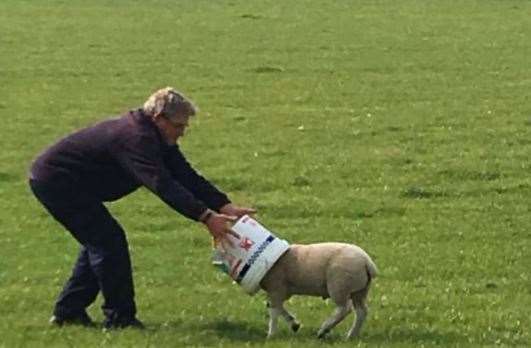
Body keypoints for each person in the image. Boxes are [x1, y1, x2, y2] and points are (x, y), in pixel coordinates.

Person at [29, 87, 256, 329]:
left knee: (101, 242)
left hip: (74, 183)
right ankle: (119, 319)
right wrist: (206, 216)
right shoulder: (136, 139)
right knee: (107, 242)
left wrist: (224, 205)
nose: (183, 132)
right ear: (159, 118)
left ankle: (69, 312)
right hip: (56, 181)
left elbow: (185, 175)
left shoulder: (157, 137)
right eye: (179, 125)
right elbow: (162, 184)